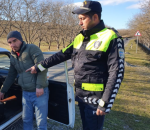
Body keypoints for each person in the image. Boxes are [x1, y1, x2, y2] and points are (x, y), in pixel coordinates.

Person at [26, 1, 125, 130]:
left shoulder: (111, 37)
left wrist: (106, 102)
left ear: (95, 17)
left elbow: (116, 73)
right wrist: (39, 66)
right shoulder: (80, 37)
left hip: (96, 100)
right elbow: (61, 55)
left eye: (83, 19)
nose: (80, 23)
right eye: (79, 19)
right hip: (81, 97)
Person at [0, 31, 49, 130]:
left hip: (39, 92)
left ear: (20, 40)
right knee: (26, 119)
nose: (12, 44)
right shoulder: (13, 56)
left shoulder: (31, 48)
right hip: (25, 92)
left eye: (14, 41)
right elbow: (11, 75)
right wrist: (3, 90)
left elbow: (42, 67)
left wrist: (40, 86)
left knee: (41, 122)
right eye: (10, 42)